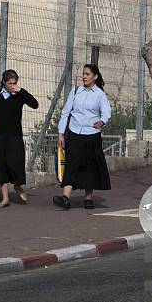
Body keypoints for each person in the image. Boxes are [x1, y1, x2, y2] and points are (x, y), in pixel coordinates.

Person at [53, 64, 111, 210]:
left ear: (95, 77)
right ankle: (65, 197)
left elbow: (106, 112)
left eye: (87, 74)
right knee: (72, 164)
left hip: (91, 135)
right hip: (74, 133)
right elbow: (66, 112)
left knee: (89, 167)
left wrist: (102, 121)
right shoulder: (76, 90)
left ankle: (88, 198)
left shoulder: (100, 94)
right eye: (83, 74)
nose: (84, 76)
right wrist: (61, 133)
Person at [0, 69, 39, 208]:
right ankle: (5, 198)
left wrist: (21, 90)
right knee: (1, 165)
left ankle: (17, 186)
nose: (12, 86)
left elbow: (35, 104)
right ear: (4, 82)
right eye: (10, 83)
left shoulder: (19, 95)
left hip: (14, 136)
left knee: (15, 164)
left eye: (15, 83)